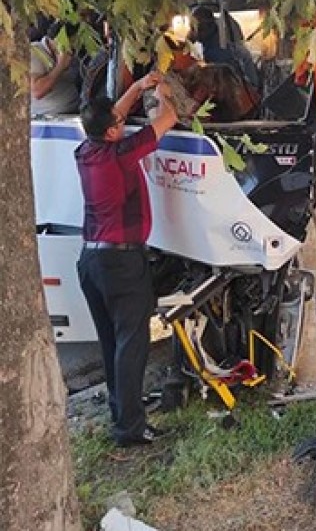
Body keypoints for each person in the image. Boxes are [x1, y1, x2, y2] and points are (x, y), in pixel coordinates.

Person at [76, 71, 179, 447]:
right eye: (120, 123)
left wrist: (136, 88)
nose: (123, 121)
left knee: (112, 344)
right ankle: (131, 430)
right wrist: (163, 94)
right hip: (122, 264)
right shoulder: (121, 154)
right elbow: (167, 120)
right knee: (132, 345)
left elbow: (109, 116)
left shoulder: (86, 150)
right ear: (113, 133)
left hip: (90, 262)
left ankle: (122, 417)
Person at [30, 18, 80, 115]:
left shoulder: (72, 53)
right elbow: (37, 91)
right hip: (50, 117)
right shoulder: (35, 53)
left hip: (74, 110)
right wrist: (60, 66)